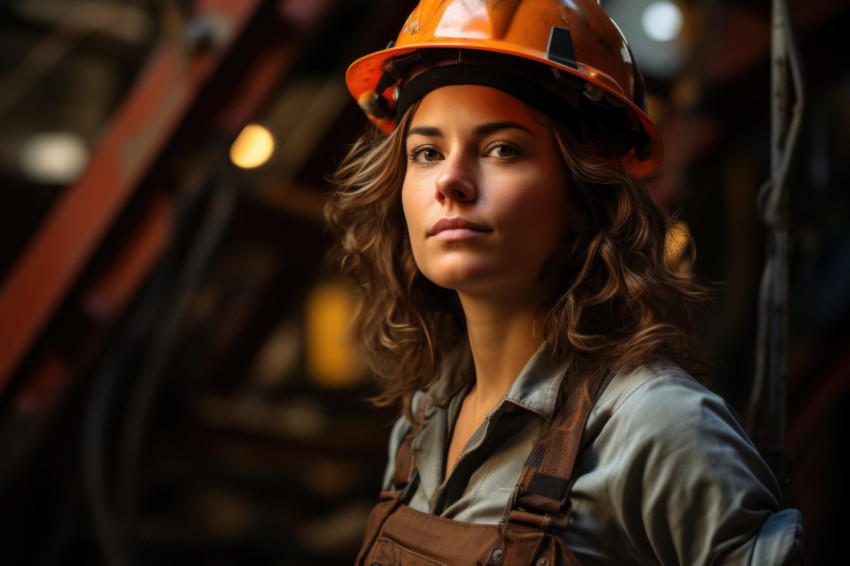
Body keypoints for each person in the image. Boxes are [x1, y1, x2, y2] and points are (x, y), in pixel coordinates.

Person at [324, 1, 805, 564]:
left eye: (502, 148)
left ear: (583, 194)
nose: (450, 180)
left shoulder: (656, 425)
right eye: (426, 152)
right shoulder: (421, 425)